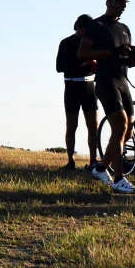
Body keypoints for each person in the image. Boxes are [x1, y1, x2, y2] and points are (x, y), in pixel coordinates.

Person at [76, 0, 135, 195]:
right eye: (118, 1)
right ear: (107, 1)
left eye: (124, 2)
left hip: (123, 80)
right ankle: (118, 179)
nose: (121, 6)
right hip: (106, 81)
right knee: (120, 125)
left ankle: (100, 168)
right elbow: (82, 54)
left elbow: (126, 60)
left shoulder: (124, 29)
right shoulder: (96, 26)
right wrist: (110, 52)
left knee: (128, 130)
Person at [55, 15, 100, 170]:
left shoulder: (93, 43)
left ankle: (93, 161)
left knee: (93, 126)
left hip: (89, 86)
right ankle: (70, 161)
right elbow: (59, 67)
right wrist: (83, 62)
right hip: (72, 86)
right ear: (79, 28)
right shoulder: (66, 43)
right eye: (85, 30)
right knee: (71, 125)